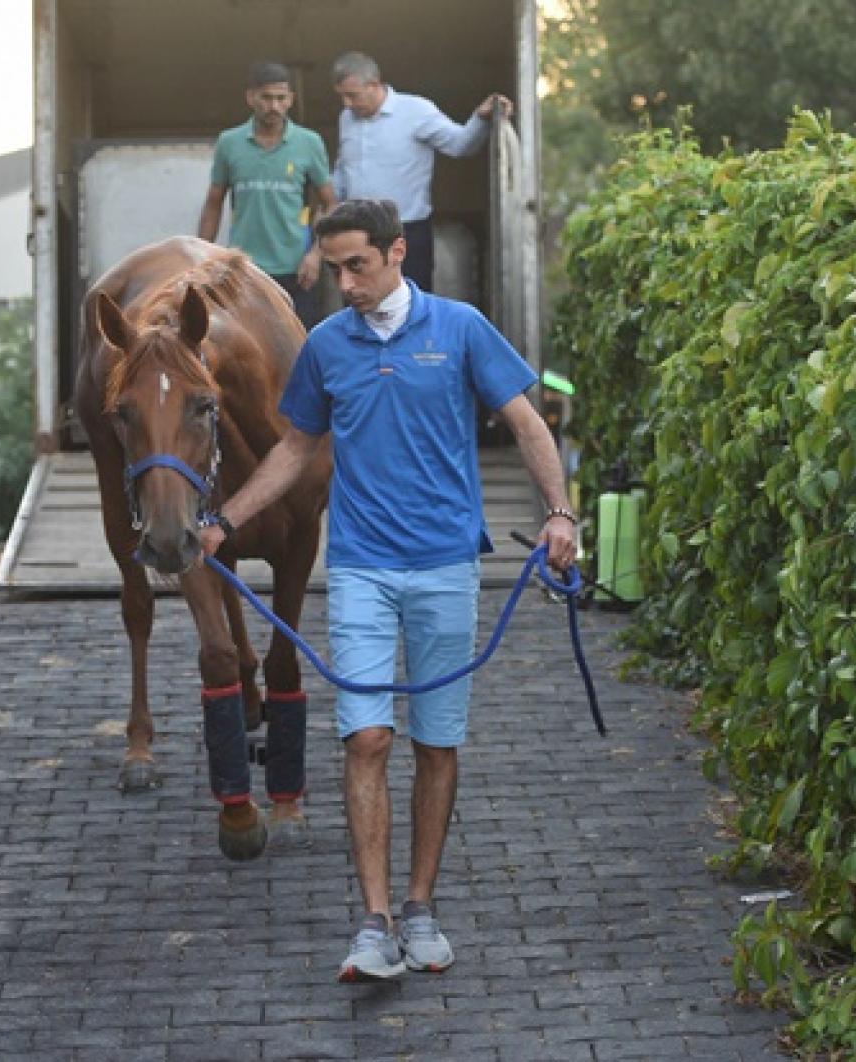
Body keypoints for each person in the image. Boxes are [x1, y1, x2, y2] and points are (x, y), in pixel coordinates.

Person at [200, 199, 577, 982]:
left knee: (436, 743)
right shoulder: (326, 345)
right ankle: (373, 925)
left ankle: (420, 907)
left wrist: (560, 513)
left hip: (445, 564)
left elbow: (527, 422)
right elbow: (295, 447)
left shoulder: (461, 328)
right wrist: (225, 521)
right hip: (361, 567)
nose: (344, 283)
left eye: (357, 266)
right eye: (334, 269)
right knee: (367, 738)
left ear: (397, 253)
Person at [331, 51, 512, 292]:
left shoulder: (416, 111)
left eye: (352, 95)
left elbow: (459, 145)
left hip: (406, 232)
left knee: (411, 303)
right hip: (357, 232)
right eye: (342, 97)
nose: (347, 103)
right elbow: (344, 168)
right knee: (358, 299)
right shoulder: (347, 118)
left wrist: (480, 118)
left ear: (374, 84)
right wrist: (330, 207)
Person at [198, 60, 337, 330]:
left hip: (297, 271)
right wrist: (202, 257)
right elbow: (213, 204)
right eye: (266, 98)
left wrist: (315, 255)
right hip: (244, 269)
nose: (274, 106)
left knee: (299, 344)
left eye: (281, 98)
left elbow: (330, 204)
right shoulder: (229, 142)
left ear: (290, 100)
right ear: (250, 98)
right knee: (247, 345)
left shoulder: (309, 142)